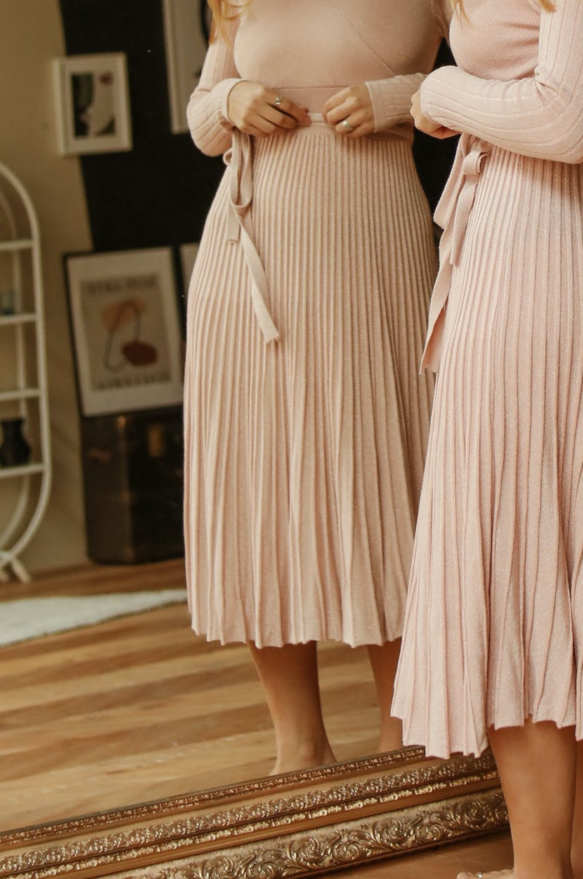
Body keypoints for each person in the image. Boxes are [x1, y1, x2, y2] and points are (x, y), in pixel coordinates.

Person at [185, 0, 450, 774]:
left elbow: (507, 70)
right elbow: (203, 114)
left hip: (372, 250)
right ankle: (296, 748)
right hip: (249, 257)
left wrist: (402, 99)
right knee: (258, 494)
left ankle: (407, 737)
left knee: (385, 487)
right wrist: (232, 100)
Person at [391, 0, 583, 879]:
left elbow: (568, 115)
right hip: (511, 229)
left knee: (522, 558)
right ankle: (555, 868)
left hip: (547, 245)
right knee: (535, 560)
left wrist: (439, 92)